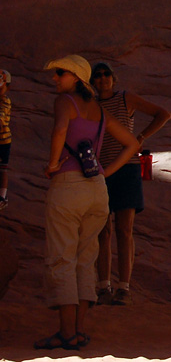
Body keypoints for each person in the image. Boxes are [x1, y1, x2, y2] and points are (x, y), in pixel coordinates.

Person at [36, 55, 139, 351]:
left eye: (60, 74)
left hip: (69, 186)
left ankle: (67, 333)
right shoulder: (99, 111)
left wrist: (53, 163)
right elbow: (132, 144)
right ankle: (79, 332)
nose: (55, 78)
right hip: (97, 189)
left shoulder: (65, 102)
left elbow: (59, 131)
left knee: (62, 258)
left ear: (76, 79)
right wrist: (105, 172)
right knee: (85, 259)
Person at [91, 61, 171, 305]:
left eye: (107, 74)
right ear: (92, 81)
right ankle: (103, 286)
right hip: (100, 171)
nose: (103, 78)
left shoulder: (126, 98)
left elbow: (163, 114)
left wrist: (140, 138)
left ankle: (124, 287)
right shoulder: (90, 105)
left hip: (126, 168)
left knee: (124, 230)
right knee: (101, 230)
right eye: (98, 75)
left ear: (113, 79)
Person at [0, 69, 11, 211]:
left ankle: (2, 196)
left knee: (3, 168)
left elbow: (1, 118)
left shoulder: (5, 101)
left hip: (3, 141)